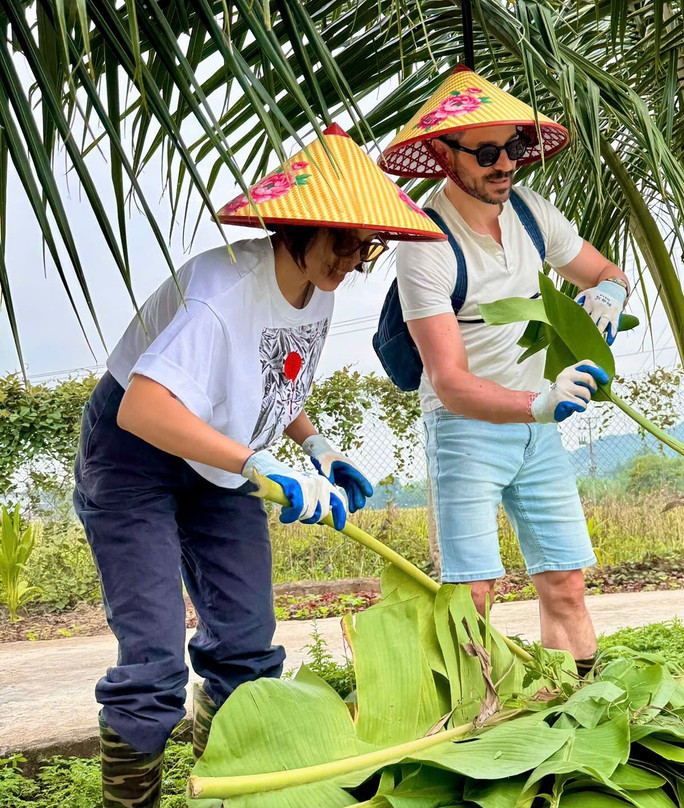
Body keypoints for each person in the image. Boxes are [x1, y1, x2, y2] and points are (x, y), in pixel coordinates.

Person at [73, 124, 445, 808]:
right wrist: (258, 465)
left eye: (366, 245)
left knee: (246, 649)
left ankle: (228, 790)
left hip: (225, 463)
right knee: (154, 660)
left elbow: (273, 384)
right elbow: (145, 408)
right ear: (296, 225)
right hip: (136, 461)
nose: (352, 257)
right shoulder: (223, 292)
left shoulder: (319, 288)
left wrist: (315, 447)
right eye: (342, 239)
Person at [379, 67, 631, 675]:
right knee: (474, 594)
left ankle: (576, 706)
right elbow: (449, 380)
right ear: (443, 154)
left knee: (566, 581)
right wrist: (535, 404)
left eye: (514, 148)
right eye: (487, 152)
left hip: (540, 425)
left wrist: (609, 297)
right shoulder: (425, 243)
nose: (505, 165)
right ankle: (471, 720)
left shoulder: (529, 212)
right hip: (467, 427)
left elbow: (605, 272)